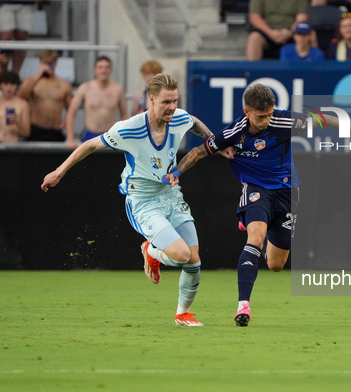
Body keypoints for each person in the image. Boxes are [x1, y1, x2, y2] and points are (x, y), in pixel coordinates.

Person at [162, 84, 351, 327]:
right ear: (246, 111)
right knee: (255, 238)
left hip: (287, 191)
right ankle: (243, 306)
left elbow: (325, 119)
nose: (267, 120)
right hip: (255, 188)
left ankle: (258, 224)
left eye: (270, 114)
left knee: (276, 264)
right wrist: (176, 172)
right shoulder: (232, 133)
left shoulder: (284, 121)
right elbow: (198, 152)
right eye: (261, 116)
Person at [41, 74, 219, 327]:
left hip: (171, 195)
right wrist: (59, 171)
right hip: (143, 201)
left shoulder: (179, 116)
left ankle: (182, 314)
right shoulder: (129, 128)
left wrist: (214, 140)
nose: (172, 107)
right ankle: (151, 251)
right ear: (151, 99)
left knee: (194, 261)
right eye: (166, 101)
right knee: (181, 255)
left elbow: (194, 122)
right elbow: (90, 145)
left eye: (175, 101)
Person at [65, 56, 128, 148]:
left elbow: (124, 116)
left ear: (111, 70)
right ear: (95, 70)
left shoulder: (118, 89)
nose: (104, 70)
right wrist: (70, 138)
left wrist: (124, 137)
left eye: (107, 67)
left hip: (110, 136)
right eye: (100, 67)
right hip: (89, 134)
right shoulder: (85, 88)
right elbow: (71, 112)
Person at [17, 50, 72, 142]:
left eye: (51, 63)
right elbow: (20, 97)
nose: (48, 65)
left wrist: (64, 122)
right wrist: (39, 75)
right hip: (35, 129)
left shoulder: (64, 85)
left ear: (55, 63)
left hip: (54, 129)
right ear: (40, 62)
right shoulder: (30, 81)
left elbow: (71, 107)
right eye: (45, 62)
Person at [246, 0, 310, 60]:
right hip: (266, 33)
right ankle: (252, 70)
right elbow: (254, 17)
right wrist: (270, 33)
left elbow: (302, 18)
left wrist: (290, 32)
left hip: (292, 33)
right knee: (254, 37)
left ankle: (312, 68)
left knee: (310, 36)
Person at [0, 0, 46, 73]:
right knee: (6, 38)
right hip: (4, 3)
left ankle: (15, 76)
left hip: (26, 3)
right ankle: (3, 75)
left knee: (21, 37)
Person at [0, 71, 30, 143]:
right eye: (6, 84)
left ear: (17, 86)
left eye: (13, 84)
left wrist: (17, 121)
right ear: (1, 85)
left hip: (13, 143)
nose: (9, 87)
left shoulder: (22, 104)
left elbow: (27, 132)